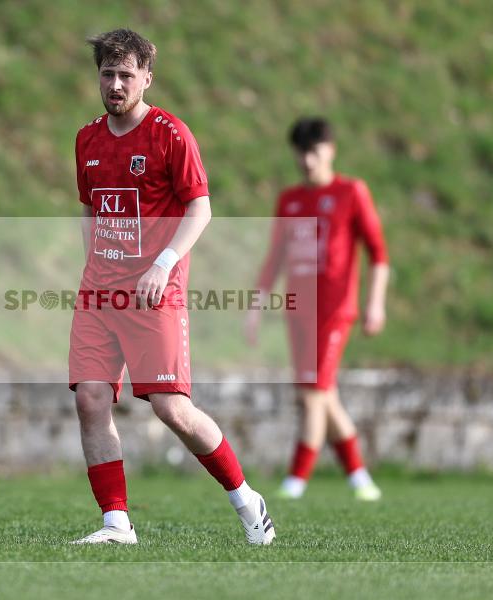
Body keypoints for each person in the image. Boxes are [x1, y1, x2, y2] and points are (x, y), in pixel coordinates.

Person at [69, 29, 274, 545]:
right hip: (100, 292)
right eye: (107, 74)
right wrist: (92, 267)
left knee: (171, 409)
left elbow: (200, 208)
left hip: (154, 291)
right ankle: (116, 523)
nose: (115, 84)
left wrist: (162, 263)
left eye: (126, 75)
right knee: (91, 399)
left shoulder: (170, 134)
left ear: (147, 78)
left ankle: (247, 498)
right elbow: (91, 210)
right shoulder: (87, 138)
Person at [245, 117, 389, 501]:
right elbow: (275, 256)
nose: (308, 160)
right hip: (299, 310)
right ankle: (360, 479)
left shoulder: (351, 192)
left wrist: (375, 303)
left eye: (315, 151)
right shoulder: (290, 200)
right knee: (324, 395)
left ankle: (296, 480)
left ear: (330, 150)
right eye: (302, 153)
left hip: (336, 311)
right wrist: (256, 305)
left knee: (311, 393)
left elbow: (378, 254)